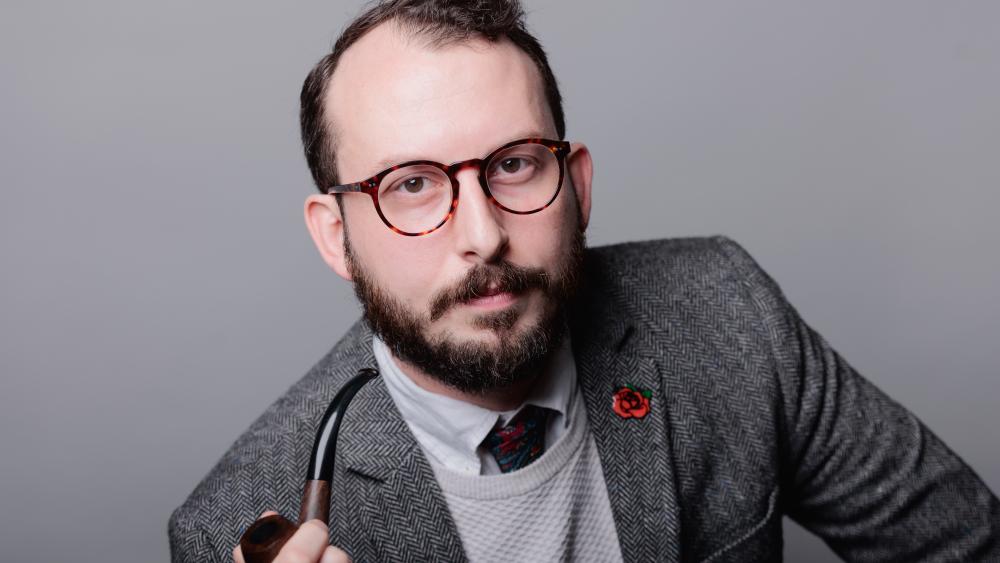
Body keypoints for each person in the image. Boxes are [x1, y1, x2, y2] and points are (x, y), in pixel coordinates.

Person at [169, 1, 1000, 561]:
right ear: (336, 236)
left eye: (517, 164)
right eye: (411, 185)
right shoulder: (245, 528)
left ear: (580, 185)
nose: (483, 234)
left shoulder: (725, 311)